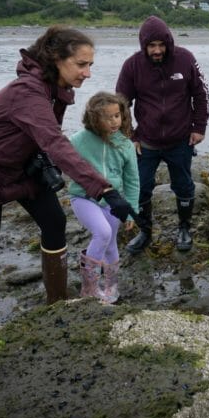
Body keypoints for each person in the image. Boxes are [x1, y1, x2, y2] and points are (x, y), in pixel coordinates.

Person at [0, 26, 133, 342]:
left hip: (20, 164)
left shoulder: (55, 90)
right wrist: (103, 188)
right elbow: (55, 143)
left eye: (91, 65)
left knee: (54, 221)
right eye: (81, 64)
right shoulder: (28, 92)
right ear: (56, 59)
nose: (88, 73)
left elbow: (44, 138)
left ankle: (57, 304)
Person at [115, 16, 209, 253]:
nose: (157, 51)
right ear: (143, 46)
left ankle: (184, 228)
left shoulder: (185, 59)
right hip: (146, 141)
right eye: (151, 46)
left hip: (180, 139)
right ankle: (145, 232)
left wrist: (199, 127)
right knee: (141, 187)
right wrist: (130, 137)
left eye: (161, 45)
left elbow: (201, 94)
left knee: (184, 185)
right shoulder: (132, 66)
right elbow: (120, 105)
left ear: (168, 42)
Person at [68, 91, 139, 304]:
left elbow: (132, 181)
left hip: (113, 201)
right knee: (103, 232)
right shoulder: (78, 140)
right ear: (94, 118)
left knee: (110, 244)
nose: (114, 121)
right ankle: (89, 288)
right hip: (83, 198)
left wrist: (131, 211)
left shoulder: (125, 145)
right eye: (107, 117)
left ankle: (111, 288)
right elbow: (61, 160)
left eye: (117, 115)